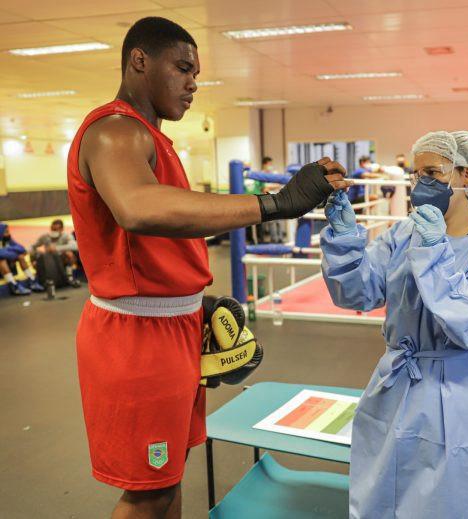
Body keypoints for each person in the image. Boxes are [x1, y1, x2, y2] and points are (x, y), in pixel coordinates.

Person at [68, 17, 350, 519]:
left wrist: (194, 303)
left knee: (171, 474)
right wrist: (274, 203)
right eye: (182, 69)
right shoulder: (114, 130)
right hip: (135, 337)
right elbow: (136, 207)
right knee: (147, 491)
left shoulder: (155, 140)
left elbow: (152, 244)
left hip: (170, 326)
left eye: (195, 73)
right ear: (139, 60)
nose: (193, 84)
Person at [321, 130, 468, 518]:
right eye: (416, 175)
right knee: (383, 495)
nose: (422, 184)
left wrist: (436, 253)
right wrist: (343, 239)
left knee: (451, 501)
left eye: (433, 173)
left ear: (466, 176)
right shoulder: (405, 234)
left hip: (459, 394)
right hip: (397, 386)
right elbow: (358, 292)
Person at [31, 218, 81, 288]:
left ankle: (70, 277)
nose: (54, 231)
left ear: (61, 229)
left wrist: (57, 248)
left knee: (69, 254)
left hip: (61, 260)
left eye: (56, 229)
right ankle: (39, 280)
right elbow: (32, 247)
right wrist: (35, 254)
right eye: (53, 229)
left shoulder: (66, 236)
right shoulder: (45, 237)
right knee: (38, 257)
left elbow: (75, 246)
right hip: (48, 262)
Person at [0, 223, 45, 295]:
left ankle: (32, 280)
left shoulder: (8, 239)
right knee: (2, 260)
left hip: (8, 263)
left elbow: (21, 248)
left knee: (20, 256)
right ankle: (14, 285)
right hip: (2, 265)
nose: (8, 234)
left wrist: (8, 250)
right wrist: (11, 252)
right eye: (6, 232)